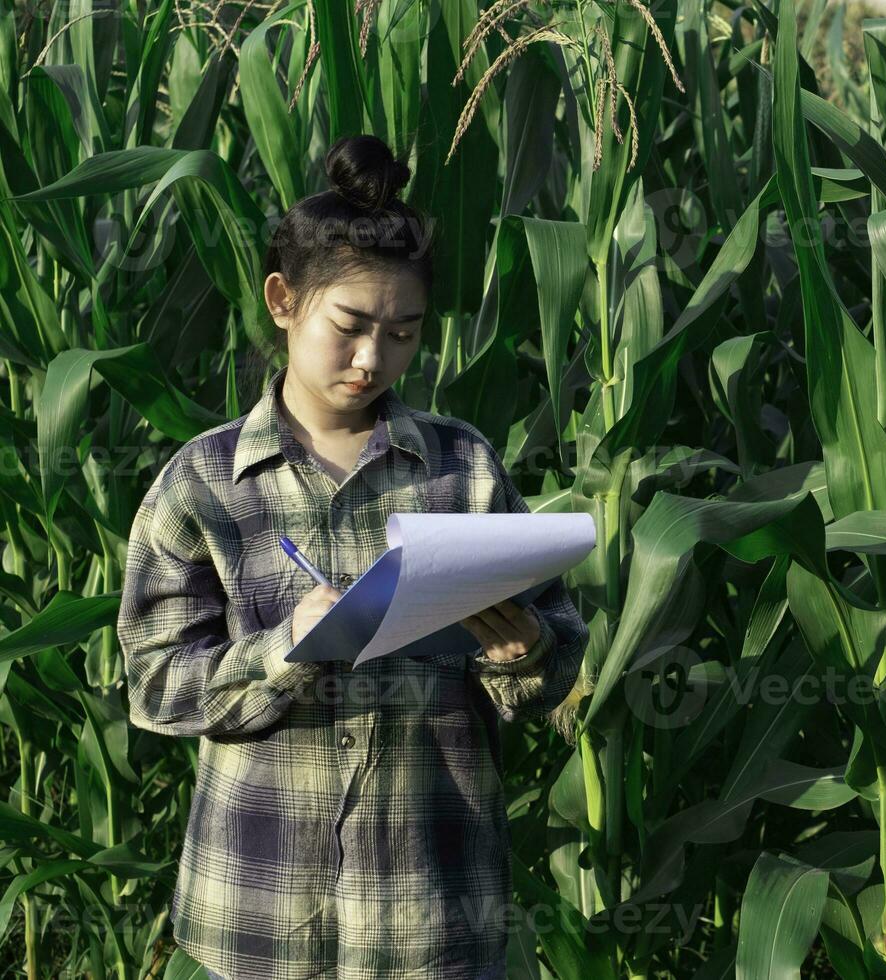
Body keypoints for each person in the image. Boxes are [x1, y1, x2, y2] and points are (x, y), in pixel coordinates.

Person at [116, 134, 590, 980]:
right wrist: (285, 651)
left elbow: (556, 662)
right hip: (256, 918)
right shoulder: (205, 483)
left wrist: (526, 654)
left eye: (403, 333)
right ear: (282, 300)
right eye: (351, 326)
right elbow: (154, 685)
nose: (373, 359)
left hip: (428, 913)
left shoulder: (461, 466)